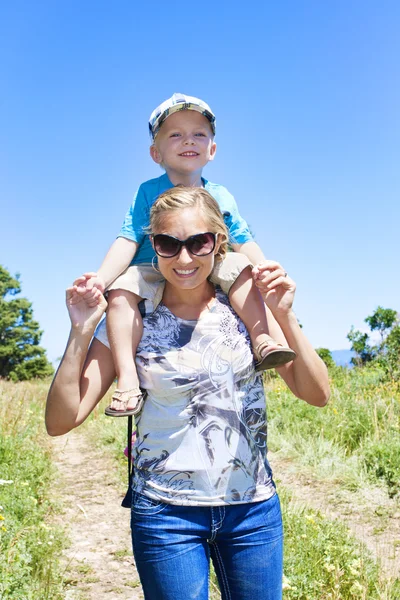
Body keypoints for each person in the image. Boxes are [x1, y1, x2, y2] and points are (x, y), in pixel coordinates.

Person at [46, 186, 330, 600]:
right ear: (152, 246)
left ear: (218, 241)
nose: (183, 259)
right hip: (165, 516)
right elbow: (60, 421)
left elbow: (316, 393)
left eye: (198, 243)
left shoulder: (246, 309)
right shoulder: (132, 318)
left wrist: (284, 315)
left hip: (252, 509)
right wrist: (81, 330)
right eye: (167, 244)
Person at [74, 92, 296, 417]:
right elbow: (128, 239)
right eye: (175, 134)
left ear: (212, 149)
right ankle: (127, 379)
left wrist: (265, 269)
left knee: (242, 266)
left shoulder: (220, 195)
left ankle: (262, 340)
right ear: (155, 152)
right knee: (120, 292)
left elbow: (241, 239)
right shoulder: (148, 191)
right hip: (153, 265)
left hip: (208, 263)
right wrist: (101, 279)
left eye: (199, 134)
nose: (187, 140)